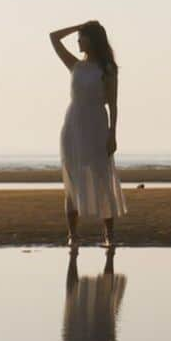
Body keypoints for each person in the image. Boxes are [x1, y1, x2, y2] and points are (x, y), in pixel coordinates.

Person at [49, 20, 127, 247]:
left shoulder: (107, 69)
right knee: (72, 180)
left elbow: (113, 104)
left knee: (103, 177)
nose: (78, 41)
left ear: (93, 40)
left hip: (97, 125)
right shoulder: (75, 65)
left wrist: (113, 133)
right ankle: (72, 234)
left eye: (82, 37)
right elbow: (54, 37)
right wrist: (77, 26)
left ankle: (109, 234)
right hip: (73, 125)